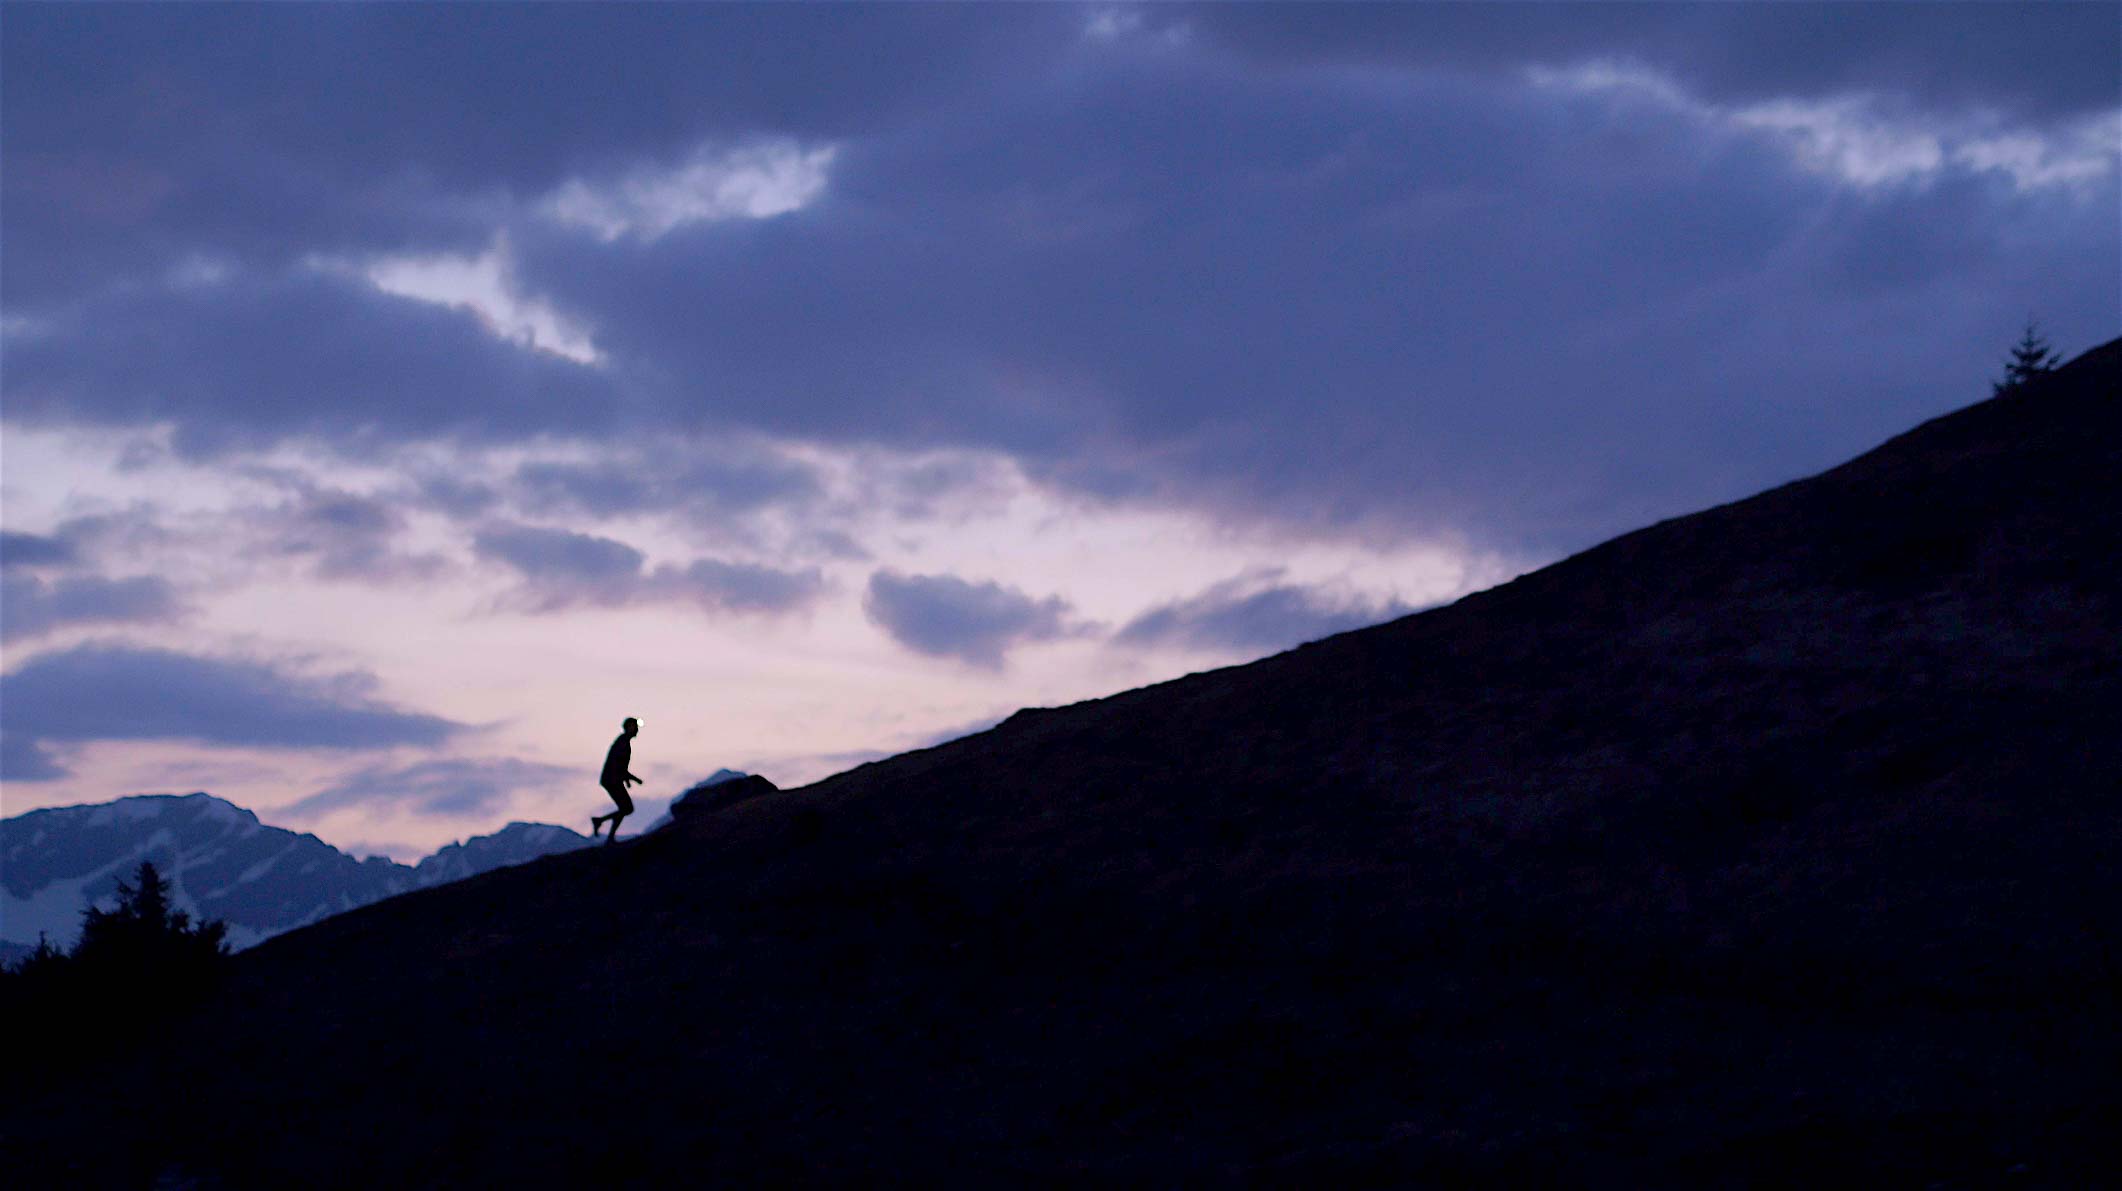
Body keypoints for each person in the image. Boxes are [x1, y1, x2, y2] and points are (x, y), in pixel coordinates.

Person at [590, 717, 643, 843]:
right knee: (627, 808)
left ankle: (606, 830)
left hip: (612, 779)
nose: (637, 730)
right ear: (629, 727)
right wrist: (633, 779)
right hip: (611, 780)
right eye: (635, 727)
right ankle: (601, 824)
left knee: (625, 808)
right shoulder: (623, 743)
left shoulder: (623, 742)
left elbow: (621, 766)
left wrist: (628, 780)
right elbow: (618, 765)